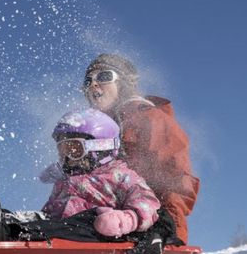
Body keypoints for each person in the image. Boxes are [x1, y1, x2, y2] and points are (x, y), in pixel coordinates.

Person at [0, 108, 172, 254]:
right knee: (17, 216)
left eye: (75, 150)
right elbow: (49, 212)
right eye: (63, 150)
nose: (67, 157)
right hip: (53, 223)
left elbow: (148, 204)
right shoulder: (67, 179)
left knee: (42, 225)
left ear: (100, 149)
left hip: (90, 230)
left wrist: (125, 220)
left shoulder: (120, 175)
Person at [80, 53, 200, 244]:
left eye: (104, 77)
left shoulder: (149, 118)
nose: (93, 84)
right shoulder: (92, 131)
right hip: (101, 221)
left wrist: (166, 228)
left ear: (124, 83)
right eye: (88, 81)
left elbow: (175, 178)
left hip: (146, 226)